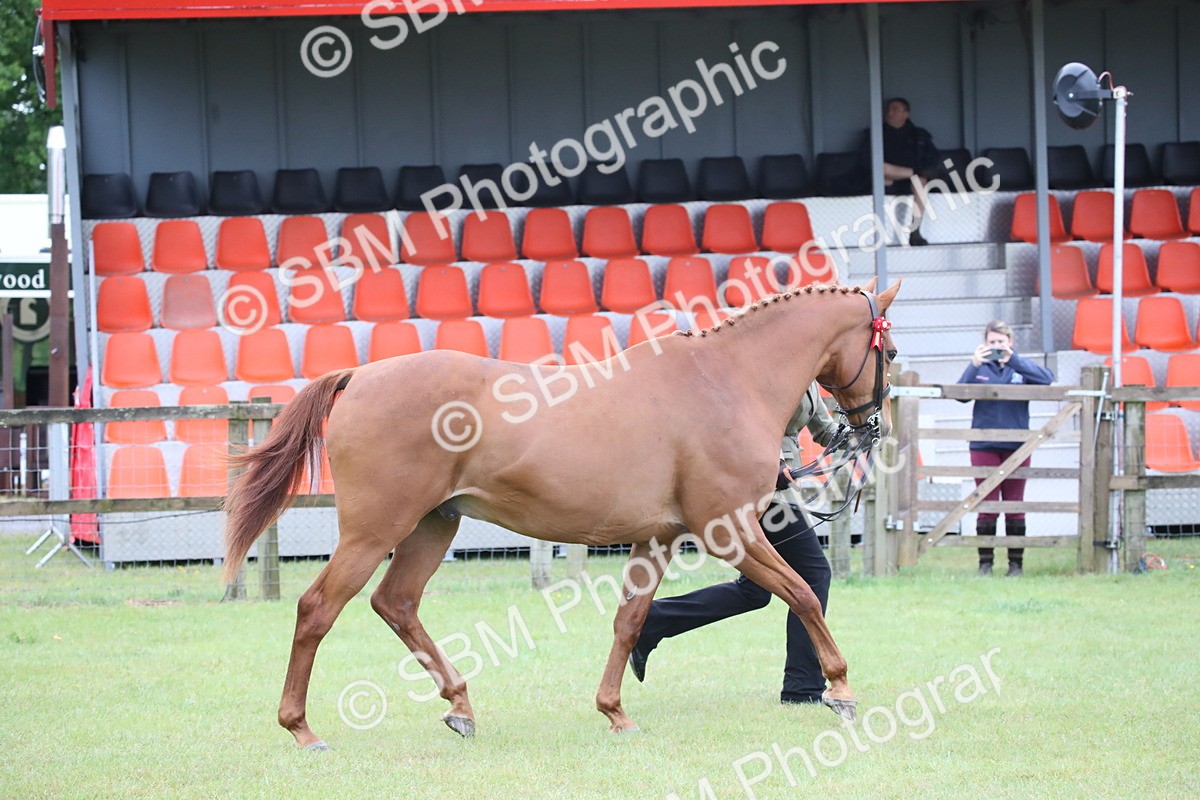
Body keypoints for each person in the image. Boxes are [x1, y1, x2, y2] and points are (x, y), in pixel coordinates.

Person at [628, 382, 840, 705]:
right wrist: (774, 463)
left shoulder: (807, 371)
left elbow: (823, 429)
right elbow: (745, 422)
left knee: (753, 592)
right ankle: (802, 687)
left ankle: (653, 621)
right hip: (759, 488)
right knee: (815, 574)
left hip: (781, 493)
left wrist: (859, 433)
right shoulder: (771, 366)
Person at [958, 320, 1055, 577]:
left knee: (1014, 505)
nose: (997, 347)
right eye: (992, 342)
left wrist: (1014, 360)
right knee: (987, 503)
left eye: (1001, 342)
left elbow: (1047, 380)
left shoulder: (1020, 368)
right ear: (984, 343)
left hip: (1017, 447)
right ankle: (985, 564)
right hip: (984, 445)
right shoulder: (980, 368)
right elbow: (960, 393)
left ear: (1010, 342)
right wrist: (974, 363)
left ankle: (1016, 565)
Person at [859, 97, 943, 246]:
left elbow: (933, 162)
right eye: (889, 109)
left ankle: (915, 231)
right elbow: (867, 162)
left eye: (895, 109)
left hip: (908, 181)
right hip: (884, 179)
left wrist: (914, 173)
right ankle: (879, 235)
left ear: (906, 114)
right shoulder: (875, 134)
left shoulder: (919, 135)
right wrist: (915, 171)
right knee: (883, 170)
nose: (890, 112)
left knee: (921, 182)